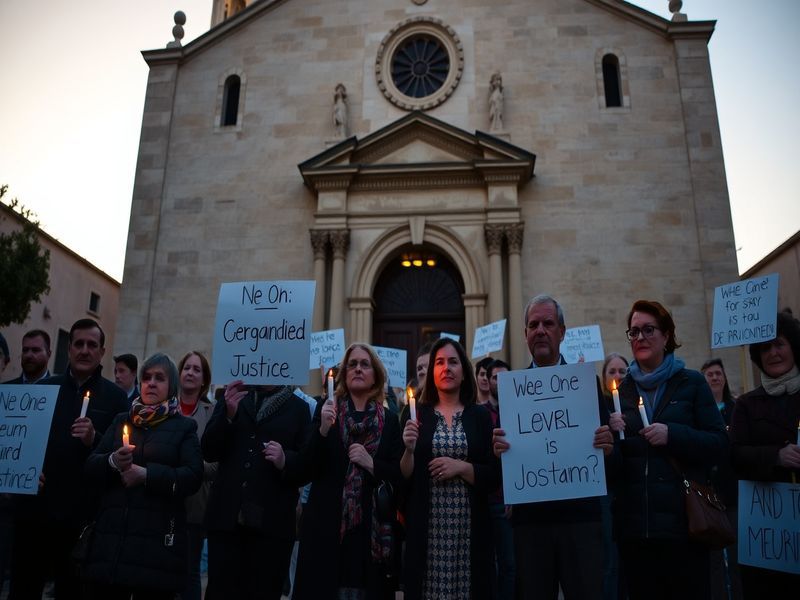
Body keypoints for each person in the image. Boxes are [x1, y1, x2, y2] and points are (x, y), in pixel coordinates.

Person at [493, 295, 613, 600]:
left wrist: (608, 445)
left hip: (581, 522)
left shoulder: (586, 386)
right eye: (533, 325)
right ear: (525, 335)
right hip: (531, 526)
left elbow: (612, 458)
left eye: (548, 323)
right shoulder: (510, 393)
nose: (540, 330)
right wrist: (499, 452)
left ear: (562, 331)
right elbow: (504, 465)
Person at [609, 300, 728, 599]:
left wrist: (672, 434)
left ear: (666, 335)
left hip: (684, 530)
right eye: (633, 332)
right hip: (637, 533)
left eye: (648, 330)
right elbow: (616, 468)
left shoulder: (691, 383)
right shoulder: (621, 392)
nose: (639, 338)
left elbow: (719, 444)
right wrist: (611, 440)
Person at [9, 318, 128, 600]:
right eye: (78, 344)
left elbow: (121, 457)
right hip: (34, 515)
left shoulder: (116, 399)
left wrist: (94, 439)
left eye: (91, 345)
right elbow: (18, 444)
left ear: (101, 352)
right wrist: (24, 469)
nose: (84, 350)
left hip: (81, 522)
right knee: (23, 589)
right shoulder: (42, 391)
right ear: (69, 349)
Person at [82, 352, 203, 599]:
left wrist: (147, 475)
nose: (151, 383)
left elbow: (192, 476)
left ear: (171, 386)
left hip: (155, 552)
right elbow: (91, 466)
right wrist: (113, 461)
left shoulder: (183, 427)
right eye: (146, 377)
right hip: (113, 547)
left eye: (160, 378)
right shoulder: (121, 421)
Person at [294, 343, 403, 599]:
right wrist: (322, 430)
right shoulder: (326, 411)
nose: (357, 369)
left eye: (365, 364)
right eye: (352, 364)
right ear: (343, 374)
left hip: (369, 532)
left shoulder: (389, 422)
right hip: (326, 528)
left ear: (376, 374)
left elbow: (400, 477)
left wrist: (371, 463)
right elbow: (304, 468)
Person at [401, 338, 499, 599]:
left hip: (468, 528)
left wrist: (461, 467)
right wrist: (409, 450)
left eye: (453, 362)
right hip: (428, 527)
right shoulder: (415, 415)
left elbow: (493, 475)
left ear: (464, 372)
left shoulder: (479, 416)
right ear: (432, 371)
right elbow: (404, 478)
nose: (447, 368)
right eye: (440, 362)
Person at [202, 372, 311, 599]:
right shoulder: (232, 397)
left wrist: (284, 461)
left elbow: (306, 467)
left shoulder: (298, 408)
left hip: (271, 528)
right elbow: (209, 450)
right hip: (227, 522)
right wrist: (228, 417)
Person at [729, 311, 800, 596]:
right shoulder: (746, 404)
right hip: (768, 531)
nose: (773, 352)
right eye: (765, 347)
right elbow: (734, 454)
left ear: (793, 346)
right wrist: (775, 457)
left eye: (779, 344)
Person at [701, 358, 742, 600]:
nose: (715, 377)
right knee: (713, 559)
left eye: (718, 373)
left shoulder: (736, 409)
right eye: (709, 374)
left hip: (732, 491)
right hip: (707, 494)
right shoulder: (700, 412)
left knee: (737, 556)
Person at [176, 351, 216, 600]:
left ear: (204, 380)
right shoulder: (163, 407)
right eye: (186, 368)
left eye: (196, 369)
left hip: (193, 505)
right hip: (160, 501)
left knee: (189, 571)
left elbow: (216, 465)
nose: (190, 373)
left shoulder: (211, 414)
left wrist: (188, 469)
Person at [600, 352, 628, 600]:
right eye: (612, 372)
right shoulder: (598, 408)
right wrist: (610, 427)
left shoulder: (637, 403)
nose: (618, 376)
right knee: (610, 560)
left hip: (633, 492)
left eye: (623, 371)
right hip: (608, 493)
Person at [486, 359, 514, 600]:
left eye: (505, 377)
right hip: (487, 499)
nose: (500, 382)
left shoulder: (519, 409)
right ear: (487, 381)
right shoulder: (479, 414)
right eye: (496, 377)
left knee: (509, 565)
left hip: (509, 501)